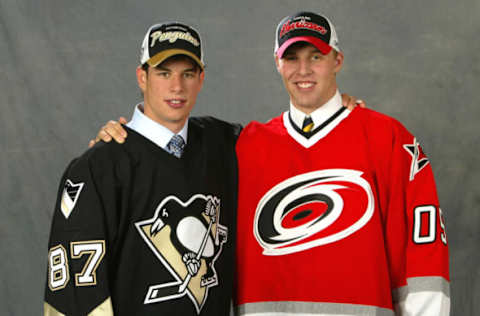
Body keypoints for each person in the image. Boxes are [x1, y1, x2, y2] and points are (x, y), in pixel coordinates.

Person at [234, 11, 450, 316]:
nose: (303, 70)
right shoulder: (245, 145)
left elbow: (423, 257)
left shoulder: (387, 138)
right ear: (277, 63)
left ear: (338, 61)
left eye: (316, 57)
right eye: (292, 58)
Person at [44, 22, 240, 315]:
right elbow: (74, 296)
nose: (177, 87)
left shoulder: (224, 145)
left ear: (201, 79)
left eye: (187, 74)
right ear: (142, 77)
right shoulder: (99, 168)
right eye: (164, 73)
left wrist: (335, 104)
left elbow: (289, 136)